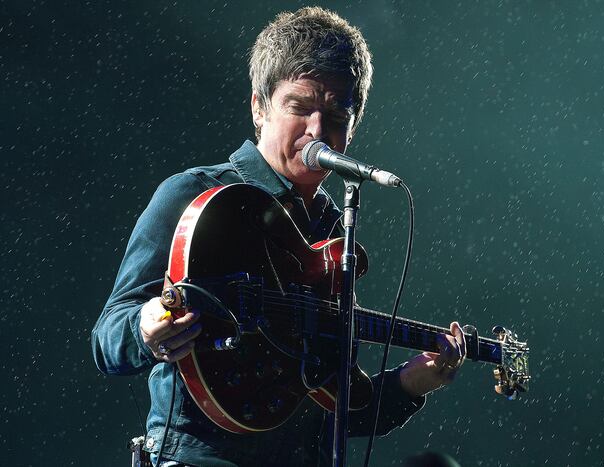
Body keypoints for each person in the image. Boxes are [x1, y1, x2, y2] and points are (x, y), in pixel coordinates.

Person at [91, 7, 466, 466]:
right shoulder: (195, 195)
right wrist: (146, 326)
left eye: (335, 112)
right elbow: (108, 338)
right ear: (259, 106)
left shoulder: (334, 228)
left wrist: (412, 382)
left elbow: (327, 408)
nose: (317, 129)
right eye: (299, 106)